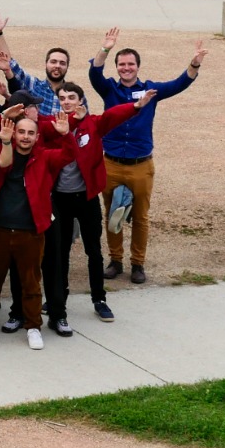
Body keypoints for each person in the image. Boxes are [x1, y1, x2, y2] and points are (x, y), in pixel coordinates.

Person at [88, 29, 205, 285]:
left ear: (138, 66)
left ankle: (138, 264)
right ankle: (115, 260)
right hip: (111, 163)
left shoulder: (151, 90)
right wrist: (106, 49)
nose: (126, 68)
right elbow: (94, 73)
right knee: (112, 215)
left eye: (131, 64)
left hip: (141, 165)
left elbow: (180, 83)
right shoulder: (108, 89)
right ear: (117, 67)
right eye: (122, 64)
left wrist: (194, 63)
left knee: (140, 217)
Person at [40, 84, 153, 333]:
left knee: (94, 251)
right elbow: (33, 121)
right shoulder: (53, 124)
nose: (66, 101)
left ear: (81, 100)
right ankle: (58, 299)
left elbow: (112, 116)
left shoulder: (92, 123)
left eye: (71, 97)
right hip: (60, 199)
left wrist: (135, 106)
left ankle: (99, 299)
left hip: (86, 197)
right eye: (62, 98)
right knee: (60, 252)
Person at [0, 111, 78, 351]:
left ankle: (33, 326)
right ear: (14, 134)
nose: (25, 137)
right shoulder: (1, 153)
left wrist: (66, 134)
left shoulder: (45, 157)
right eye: (22, 132)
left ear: (38, 137)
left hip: (30, 232)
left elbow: (70, 154)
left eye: (30, 133)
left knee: (31, 283)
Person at [0, 9, 68, 116]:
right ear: (46, 64)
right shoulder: (33, 85)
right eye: (53, 62)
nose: (57, 66)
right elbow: (8, 62)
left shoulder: (72, 95)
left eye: (62, 63)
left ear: (67, 67)